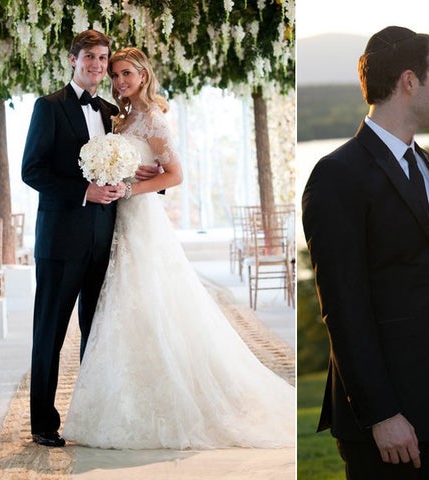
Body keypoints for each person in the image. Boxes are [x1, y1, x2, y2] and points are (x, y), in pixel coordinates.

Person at [61, 47, 295, 450]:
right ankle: (122, 401)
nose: (119, 81)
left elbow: (176, 175)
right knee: (122, 309)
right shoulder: (118, 119)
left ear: (143, 75)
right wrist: (125, 174)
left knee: (152, 304)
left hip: (142, 221)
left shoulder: (152, 118)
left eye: (126, 74)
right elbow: (130, 164)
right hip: (118, 220)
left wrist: (131, 188)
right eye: (115, 75)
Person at [302, 26, 429, 479]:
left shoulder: (425, 165)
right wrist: (381, 414)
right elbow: (342, 307)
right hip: (391, 424)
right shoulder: (338, 174)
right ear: (408, 81)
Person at [22, 30, 158, 448]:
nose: (98, 66)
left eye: (103, 59)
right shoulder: (49, 107)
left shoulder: (109, 110)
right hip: (61, 241)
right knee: (50, 332)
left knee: (97, 333)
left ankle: (91, 415)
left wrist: (138, 175)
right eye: (90, 58)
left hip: (105, 238)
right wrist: (84, 191)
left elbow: (120, 161)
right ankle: (43, 423)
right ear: (72, 60)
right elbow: (32, 170)